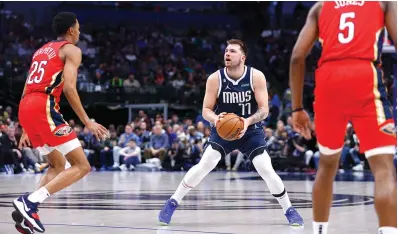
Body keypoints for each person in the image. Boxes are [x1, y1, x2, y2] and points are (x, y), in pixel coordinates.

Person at [159, 39, 303, 226]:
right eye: (226, 50)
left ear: (242, 57)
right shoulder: (215, 78)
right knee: (205, 164)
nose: (227, 53)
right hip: (223, 129)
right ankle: (172, 202)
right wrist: (216, 119)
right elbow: (206, 110)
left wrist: (247, 121)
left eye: (232, 51)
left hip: (250, 130)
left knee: (266, 168)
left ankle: (289, 209)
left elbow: (264, 110)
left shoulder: (255, 76)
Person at [289, 2, 397, 234]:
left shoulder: (320, 8)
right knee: (383, 168)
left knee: (326, 165)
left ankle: (319, 231)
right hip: (365, 76)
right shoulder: (383, 3)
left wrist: (297, 108)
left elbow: (297, 57)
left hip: (329, 81)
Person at [13, 12, 109, 233]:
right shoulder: (72, 50)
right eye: (78, 27)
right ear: (71, 30)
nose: (79, 31)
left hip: (26, 105)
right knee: (82, 166)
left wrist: (26, 125)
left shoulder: (41, 51)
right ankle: (29, 202)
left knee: (57, 165)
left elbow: (28, 86)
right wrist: (87, 121)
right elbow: (68, 88)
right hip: (43, 106)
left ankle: (29, 212)